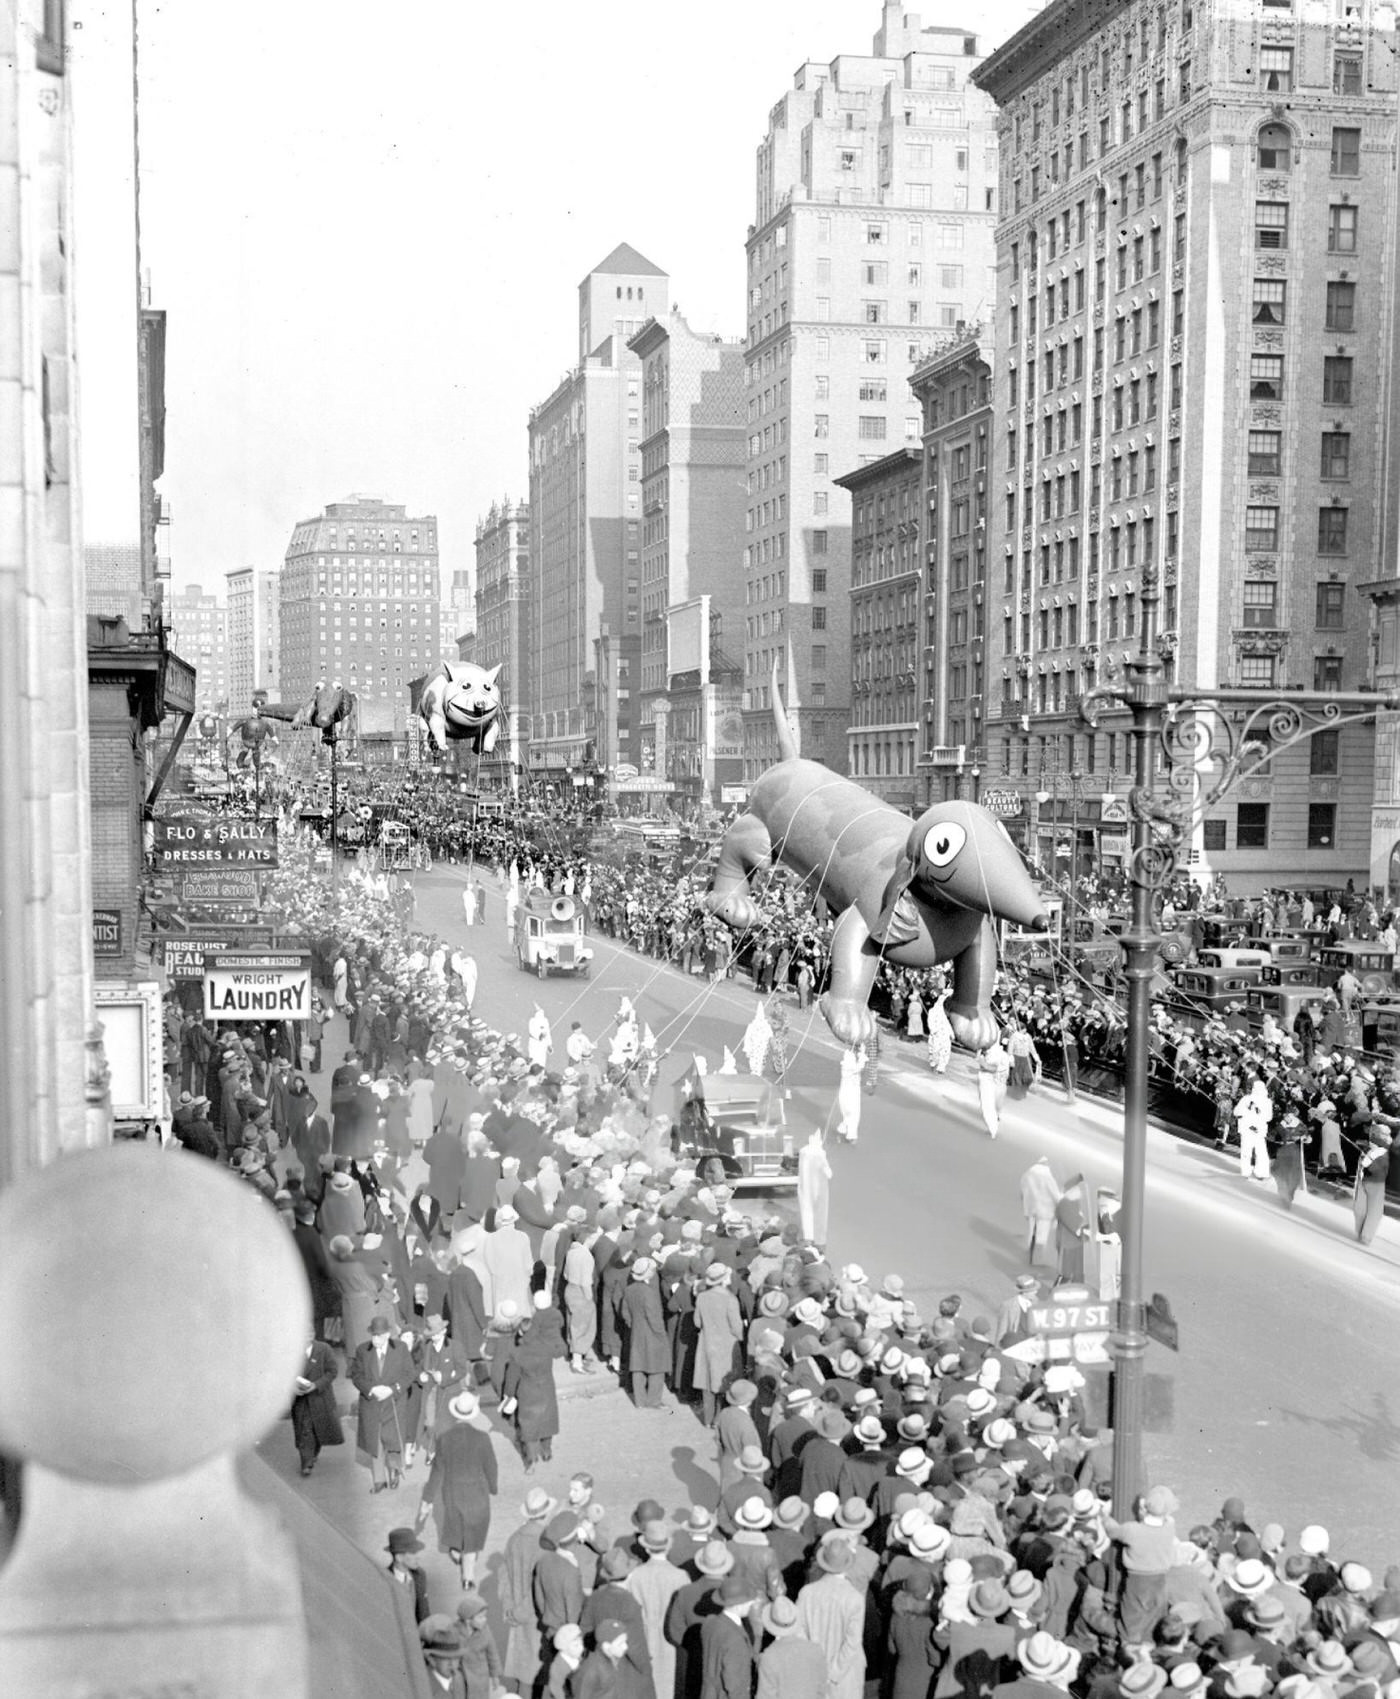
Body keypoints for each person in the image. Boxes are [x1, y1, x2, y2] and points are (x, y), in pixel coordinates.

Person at [417, 1389, 500, 1589]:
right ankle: (468, 1577)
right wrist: (493, 1487)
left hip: (452, 1492)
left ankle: (456, 1552)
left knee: (456, 1528)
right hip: (476, 1492)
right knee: (473, 1534)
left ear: (455, 1412)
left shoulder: (444, 1438)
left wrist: (427, 1500)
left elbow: (436, 1472)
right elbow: (491, 1466)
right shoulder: (482, 1438)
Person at [349, 1313, 413, 1493]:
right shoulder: (363, 1350)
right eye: (373, 1335)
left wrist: (393, 1389)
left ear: (387, 1335)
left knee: (392, 1439)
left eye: (379, 1335)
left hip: (394, 1402)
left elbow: (409, 1374)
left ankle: (394, 1470)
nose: (375, 1339)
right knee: (375, 1442)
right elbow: (356, 1376)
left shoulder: (400, 1349)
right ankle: (379, 1479)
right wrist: (371, 1390)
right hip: (372, 1403)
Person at [693, 1263, 744, 1427]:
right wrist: (740, 1338)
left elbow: (697, 1322)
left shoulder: (701, 1297)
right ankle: (719, 1419)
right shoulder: (730, 1299)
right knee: (724, 1383)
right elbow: (736, 1327)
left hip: (706, 1344)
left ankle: (707, 1420)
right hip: (726, 1346)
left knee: (707, 1383)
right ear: (723, 1279)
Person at [290, 1334, 343, 1477]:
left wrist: (316, 1385)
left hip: (320, 1397)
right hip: (301, 1399)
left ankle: (314, 1452)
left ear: (312, 1336)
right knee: (304, 1429)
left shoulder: (324, 1349)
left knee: (317, 1428)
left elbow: (332, 1371)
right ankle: (306, 1463)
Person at [700, 1575, 758, 1699]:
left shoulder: (710, 1623)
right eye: (748, 1602)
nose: (752, 1603)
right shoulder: (735, 1640)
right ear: (738, 1605)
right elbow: (736, 1686)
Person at [621, 1257, 669, 1409]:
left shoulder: (629, 1290)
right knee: (657, 1367)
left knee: (638, 1366)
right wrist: (661, 1334)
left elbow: (624, 1312)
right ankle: (654, 1400)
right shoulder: (649, 1293)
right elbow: (654, 1317)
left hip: (636, 1332)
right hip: (652, 1334)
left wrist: (632, 1324)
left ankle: (639, 1401)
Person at [1019, 1158, 1063, 1267]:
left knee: (1031, 1231)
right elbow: (1055, 1195)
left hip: (1031, 1207)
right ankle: (1036, 1260)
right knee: (1041, 1235)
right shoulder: (1047, 1177)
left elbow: (1022, 1190)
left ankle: (1028, 1254)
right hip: (1045, 1209)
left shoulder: (1027, 1175)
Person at [1353, 1125, 1392, 1245]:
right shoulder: (1369, 1149)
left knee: (1374, 1211)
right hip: (1362, 1181)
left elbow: (1380, 1168)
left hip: (1376, 1183)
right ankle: (1361, 1232)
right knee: (1359, 1209)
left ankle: (1366, 1236)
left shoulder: (1384, 1152)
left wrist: (1369, 1166)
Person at [386, 1526, 430, 1626]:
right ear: (399, 1557)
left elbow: (424, 1612)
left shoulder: (419, 1575)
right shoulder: (384, 1579)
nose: (418, 1557)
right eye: (413, 1553)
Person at [797, 1129, 832, 1249]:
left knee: (806, 1210)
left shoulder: (803, 1151)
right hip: (818, 1187)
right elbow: (828, 1172)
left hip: (804, 1187)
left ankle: (808, 1237)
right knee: (820, 1212)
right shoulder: (820, 1153)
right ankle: (819, 1240)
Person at [1233, 1078, 1272, 1183]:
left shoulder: (1246, 1099)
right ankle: (1261, 1172)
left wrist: (1250, 1112)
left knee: (1247, 1150)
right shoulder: (1267, 1101)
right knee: (1260, 1151)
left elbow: (1236, 1112)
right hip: (1257, 1129)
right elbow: (1269, 1117)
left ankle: (1246, 1171)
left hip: (1248, 1128)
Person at [1054, 1177, 1090, 1284]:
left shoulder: (1074, 1202)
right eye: (1077, 1189)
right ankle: (1057, 1291)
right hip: (1067, 1242)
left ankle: (1078, 1289)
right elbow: (1072, 1221)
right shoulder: (1065, 1204)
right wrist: (1083, 1229)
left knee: (1077, 1271)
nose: (1080, 1192)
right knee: (1066, 1272)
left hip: (1076, 1242)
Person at [835, 1045, 864, 1143]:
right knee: (850, 1113)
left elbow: (859, 1067)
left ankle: (851, 1135)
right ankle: (842, 1131)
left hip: (854, 1091)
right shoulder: (847, 1066)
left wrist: (861, 1053)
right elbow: (859, 1067)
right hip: (847, 1093)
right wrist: (862, 1054)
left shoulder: (851, 1063)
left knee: (854, 1113)